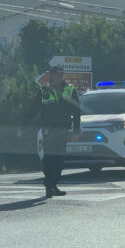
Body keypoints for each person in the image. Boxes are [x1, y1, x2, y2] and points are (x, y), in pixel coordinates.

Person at [35, 65, 80, 198]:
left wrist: (76, 131)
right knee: (49, 159)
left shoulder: (70, 90)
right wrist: (22, 126)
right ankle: (49, 186)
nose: (58, 76)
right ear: (52, 75)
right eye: (56, 74)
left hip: (63, 130)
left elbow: (77, 111)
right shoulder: (44, 91)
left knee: (59, 161)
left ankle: (53, 184)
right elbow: (34, 109)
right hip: (48, 130)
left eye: (61, 74)